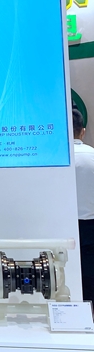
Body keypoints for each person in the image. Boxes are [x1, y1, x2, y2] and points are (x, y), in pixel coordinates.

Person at [73, 108, 94, 302]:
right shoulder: (92, 155)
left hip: (62, 225)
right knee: (89, 278)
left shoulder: (58, 157)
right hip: (90, 225)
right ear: (83, 131)